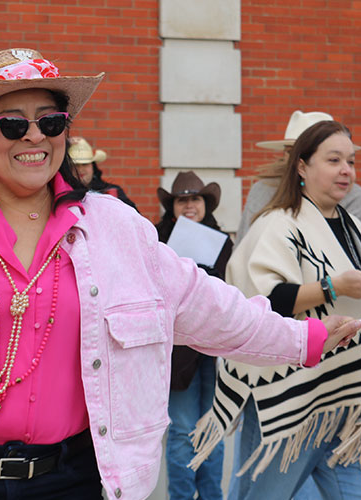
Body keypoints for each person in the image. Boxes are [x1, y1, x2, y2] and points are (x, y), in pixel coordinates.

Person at [0, 48, 361, 500]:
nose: (34, 136)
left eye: (51, 121)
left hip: (78, 479)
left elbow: (205, 305)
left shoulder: (116, 228)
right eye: (12, 124)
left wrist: (302, 337)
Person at [191, 120, 361, 500]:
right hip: (290, 403)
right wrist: (333, 287)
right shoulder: (277, 224)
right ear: (301, 166)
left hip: (343, 402)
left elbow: (359, 293)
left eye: (350, 161)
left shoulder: (351, 227)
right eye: (334, 160)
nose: (347, 170)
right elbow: (263, 301)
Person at [154, 171, 232, 500]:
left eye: (195, 199)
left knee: (213, 429)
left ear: (205, 204)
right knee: (183, 431)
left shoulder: (222, 241)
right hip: (179, 349)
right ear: (172, 207)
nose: (189, 205)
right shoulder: (157, 241)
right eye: (182, 200)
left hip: (213, 347)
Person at [238, 110, 361, 242]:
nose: (345, 170)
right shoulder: (264, 190)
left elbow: (355, 255)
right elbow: (245, 247)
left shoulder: (352, 196)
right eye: (290, 152)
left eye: (350, 161)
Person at [67, 136, 137, 210]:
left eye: (85, 164)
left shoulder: (111, 191)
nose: (80, 169)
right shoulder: (61, 194)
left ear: (93, 166)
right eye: (75, 165)